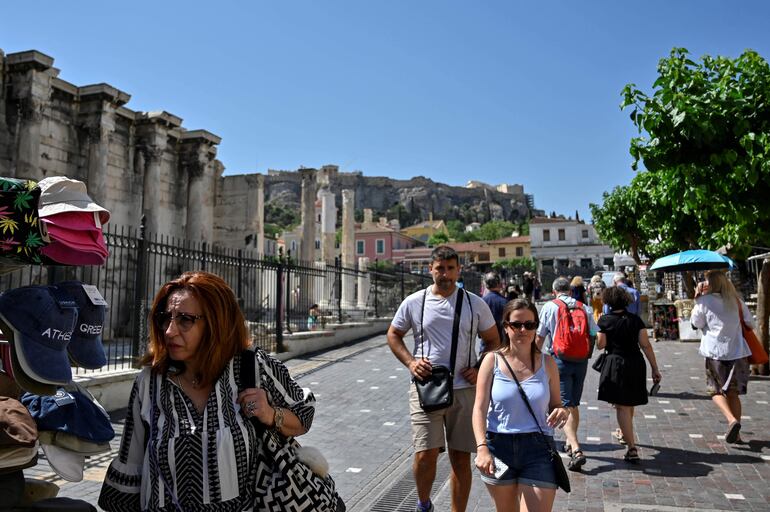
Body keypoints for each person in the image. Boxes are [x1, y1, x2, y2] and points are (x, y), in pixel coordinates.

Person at [99, 271, 322, 511]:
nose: (169, 331)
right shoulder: (150, 383)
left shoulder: (251, 367)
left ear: (217, 322)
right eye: (166, 318)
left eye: (185, 319)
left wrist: (270, 414)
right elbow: (131, 465)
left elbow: (303, 416)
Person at [387, 246, 501, 512]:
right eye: (440, 268)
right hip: (426, 388)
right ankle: (424, 504)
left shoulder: (475, 303)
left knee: (461, 459)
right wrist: (411, 362)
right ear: (430, 269)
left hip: (464, 390)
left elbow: (494, 341)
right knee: (425, 454)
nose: (445, 274)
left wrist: (480, 366)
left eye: (450, 268)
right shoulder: (414, 302)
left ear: (459, 270)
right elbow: (393, 334)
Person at [473, 299, 570, 511]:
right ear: (506, 327)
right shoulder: (491, 360)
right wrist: (481, 448)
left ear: (536, 327)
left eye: (530, 324)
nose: (523, 330)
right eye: (516, 324)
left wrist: (562, 411)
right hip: (498, 446)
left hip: (538, 448)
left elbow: (557, 404)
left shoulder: (548, 363)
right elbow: (479, 408)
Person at [536, 277, 597, 471]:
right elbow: (594, 334)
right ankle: (570, 443)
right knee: (573, 403)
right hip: (581, 361)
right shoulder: (584, 307)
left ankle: (576, 449)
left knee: (564, 404)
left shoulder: (550, 307)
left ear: (554, 291)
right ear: (570, 291)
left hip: (559, 361)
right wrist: (587, 353)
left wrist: (533, 359)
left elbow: (540, 336)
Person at [596, 286, 661, 462]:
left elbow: (600, 345)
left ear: (608, 301)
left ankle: (631, 447)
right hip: (636, 362)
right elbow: (645, 345)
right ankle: (625, 434)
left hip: (616, 363)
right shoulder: (635, 319)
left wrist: (599, 331)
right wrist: (655, 368)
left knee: (621, 406)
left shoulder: (605, 320)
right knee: (629, 402)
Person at [691, 270, 754, 444]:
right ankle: (737, 433)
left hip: (715, 352)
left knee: (715, 390)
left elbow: (696, 323)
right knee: (733, 393)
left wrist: (696, 300)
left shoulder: (704, 301)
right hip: (737, 352)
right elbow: (750, 323)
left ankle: (731, 420)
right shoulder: (736, 301)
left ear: (710, 284)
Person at [483, 272, 509, 344]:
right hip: (502, 342)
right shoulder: (505, 302)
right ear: (499, 284)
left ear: (486, 285)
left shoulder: (481, 301)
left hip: (486, 343)